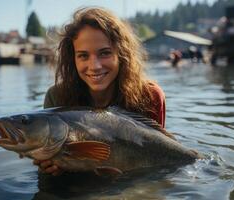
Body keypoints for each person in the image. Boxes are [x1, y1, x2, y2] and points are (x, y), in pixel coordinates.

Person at [33, 7, 172, 176]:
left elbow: (160, 159)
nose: (95, 66)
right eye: (83, 56)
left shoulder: (151, 96)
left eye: (105, 53)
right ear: (72, 58)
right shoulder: (56, 96)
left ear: (121, 54)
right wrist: (49, 168)